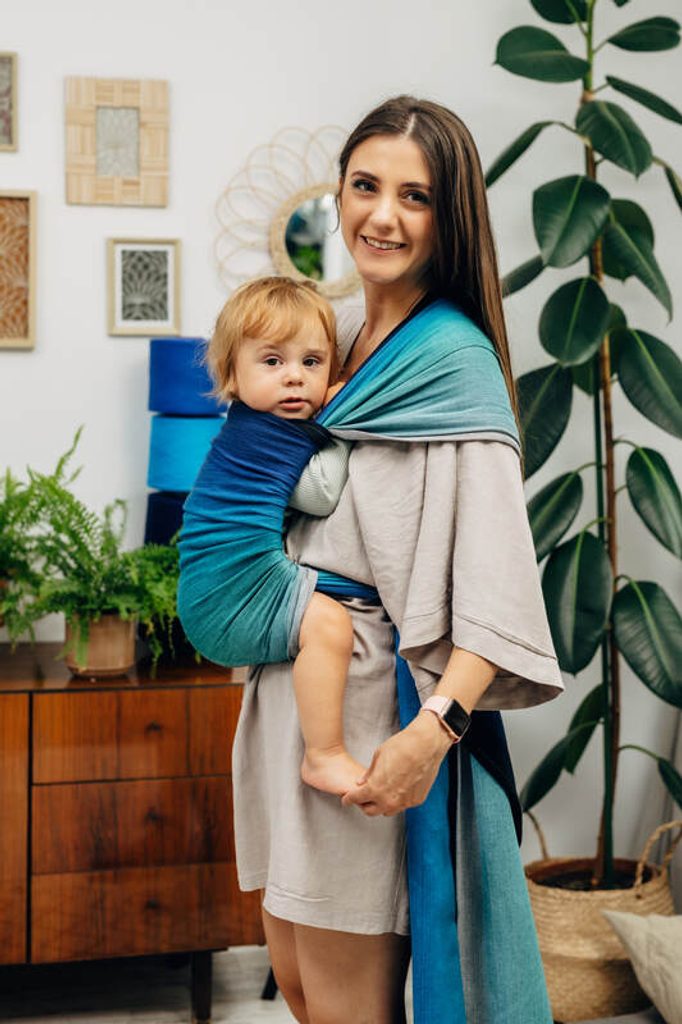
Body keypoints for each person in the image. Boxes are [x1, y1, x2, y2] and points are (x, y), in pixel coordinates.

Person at [229, 96, 565, 1024]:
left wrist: (432, 734)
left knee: (347, 1006)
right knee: (302, 990)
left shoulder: (452, 364)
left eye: (414, 197)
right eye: (365, 186)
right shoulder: (330, 341)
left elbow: (498, 583)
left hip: (370, 712)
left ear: (449, 217)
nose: (382, 215)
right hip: (289, 699)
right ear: (338, 194)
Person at [179, 276, 365, 796]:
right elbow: (321, 494)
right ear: (231, 375)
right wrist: (345, 426)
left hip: (217, 587)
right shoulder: (265, 434)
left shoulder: (253, 423)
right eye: (273, 361)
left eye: (312, 362)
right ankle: (323, 755)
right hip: (227, 593)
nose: (294, 377)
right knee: (330, 625)